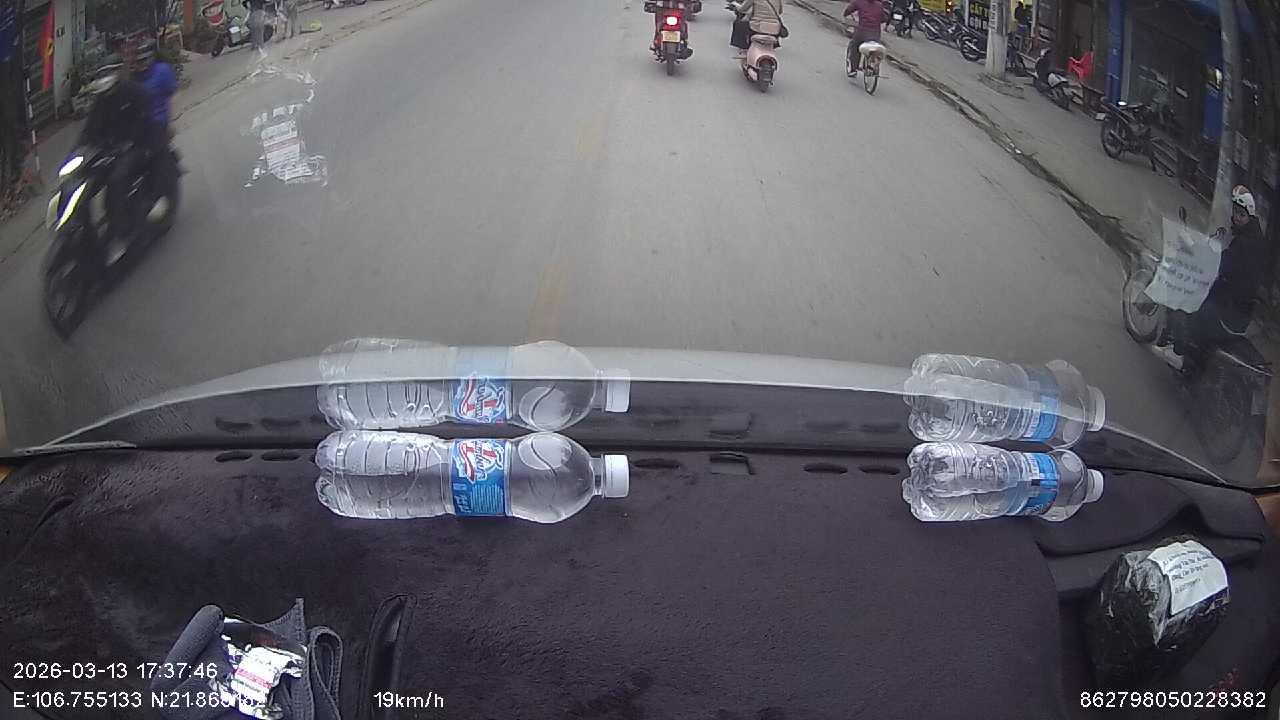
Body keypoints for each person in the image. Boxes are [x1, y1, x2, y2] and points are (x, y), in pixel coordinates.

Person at [1162, 186, 1274, 375]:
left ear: (1250, 216)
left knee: (1192, 307)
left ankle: (1181, 356)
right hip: (1242, 310)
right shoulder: (1256, 238)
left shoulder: (1244, 244)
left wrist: (1202, 259)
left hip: (1229, 310)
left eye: (1241, 215)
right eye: (1236, 212)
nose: (1237, 218)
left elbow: (1223, 263)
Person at [76, 40, 153, 262]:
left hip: (135, 147)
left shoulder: (134, 92)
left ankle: (122, 235)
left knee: (116, 182)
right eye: (103, 74)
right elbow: (88, 131)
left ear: (119, 72)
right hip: (108, 153)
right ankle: (86, 236)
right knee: (82, 185)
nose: (106, 78)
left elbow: (144, 121)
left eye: (110, 72)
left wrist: (129, 143)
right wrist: (77, 152)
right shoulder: (100, 101)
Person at [844, 0, 884, 76]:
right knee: (876, 48)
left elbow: (848, 10)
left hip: (862, 32)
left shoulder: (859, 2)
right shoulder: (880, 5)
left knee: (855, 46)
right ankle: (872, 65)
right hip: (875, 34)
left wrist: (846, 15)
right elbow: (884, 18)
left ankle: (853, 69)